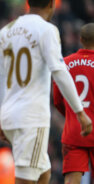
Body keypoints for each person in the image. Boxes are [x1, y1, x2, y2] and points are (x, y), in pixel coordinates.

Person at [0, 0, 92, 184]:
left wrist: (2, 116)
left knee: (44, 172)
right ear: (52, 3)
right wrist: (80, 112)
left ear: (28, 1)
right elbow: (59, 71)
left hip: (11, 115)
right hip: (32, 118)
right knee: (26, 180)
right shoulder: (47, 30)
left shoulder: (6, 31)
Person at [53, 23, 94, 184]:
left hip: (74, 131)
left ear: (81, 39)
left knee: (71, 180)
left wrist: (73, 115)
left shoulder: (65, 63)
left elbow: (57, 100)